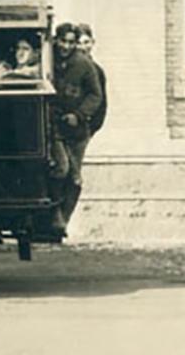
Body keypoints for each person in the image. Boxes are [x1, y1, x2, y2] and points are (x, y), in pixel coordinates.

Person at [49, 22, 104, 233]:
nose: (66, 46)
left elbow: (95, 95)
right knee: (60, 169)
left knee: (74, 177)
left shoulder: (84, 65)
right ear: (56, 40)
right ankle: (53, 215)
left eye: (71, 42)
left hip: (77, 132)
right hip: (55, 128)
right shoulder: (49, 59)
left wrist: (79, 116)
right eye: (63, 41)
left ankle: (63, 220)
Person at [77, 23, 108, 136]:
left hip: (85, 127)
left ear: (92, 42)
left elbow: (101, 104)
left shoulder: (97, 70)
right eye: (79, 43)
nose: (83, 47)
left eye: (86, 42)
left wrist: (91, 129)